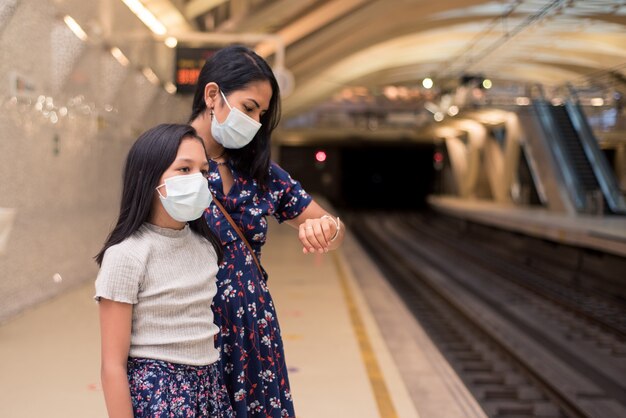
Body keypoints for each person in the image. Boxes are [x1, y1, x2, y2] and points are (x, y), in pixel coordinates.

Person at [189, 45, 345, 417]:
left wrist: (327, 228)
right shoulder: (171, 159)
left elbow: (333, 228)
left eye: (261, 113)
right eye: (248, 108)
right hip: (189, 332)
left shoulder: (259, 172)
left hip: (253, 334)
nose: (255, 122)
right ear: (213, 95)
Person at [94, 124, 234, 418]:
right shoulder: (126, 255)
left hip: (209, 388)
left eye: (203, 171)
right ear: (148, 177)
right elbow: (112, 366)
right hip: (159, 393)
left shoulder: (206, 247)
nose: (198, 180)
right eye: (184, 170)